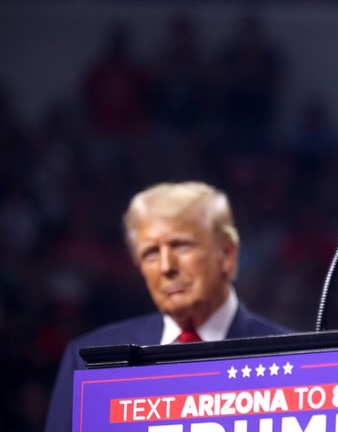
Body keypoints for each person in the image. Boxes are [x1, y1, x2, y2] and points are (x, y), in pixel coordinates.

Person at [44, 181, 288, 431]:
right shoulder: (89, 363)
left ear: (227, 254)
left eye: (181, 245)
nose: (166, 267)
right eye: (150, 253)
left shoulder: (293, 362)